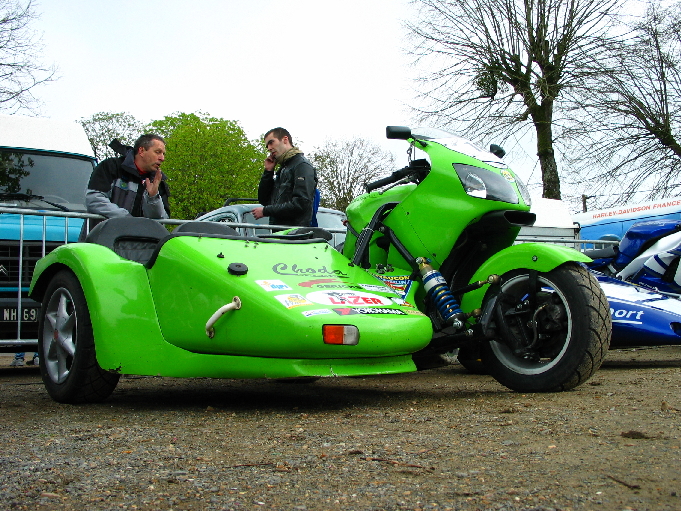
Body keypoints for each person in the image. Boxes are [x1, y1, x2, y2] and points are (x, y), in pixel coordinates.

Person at [82, 134, 171, 235]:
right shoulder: (110, 167)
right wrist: (128, 220)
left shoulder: (158, 182)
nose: (162, 158)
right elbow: (94, 199)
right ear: (141, 151)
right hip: (101, 242)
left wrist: (153, 199)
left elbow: (160, 221)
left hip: (140, 247)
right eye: (158, 152)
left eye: (163, 154)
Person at [252, 127, 317, 228]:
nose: (269, 148)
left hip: (295, 236)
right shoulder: (283, 169)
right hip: (280, 234)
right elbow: (264, 200)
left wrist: (266, 211)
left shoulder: (302, 165)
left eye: (271, 142)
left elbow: (301, 204)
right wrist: (268, 172)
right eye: (267, 146)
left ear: (285, 140)